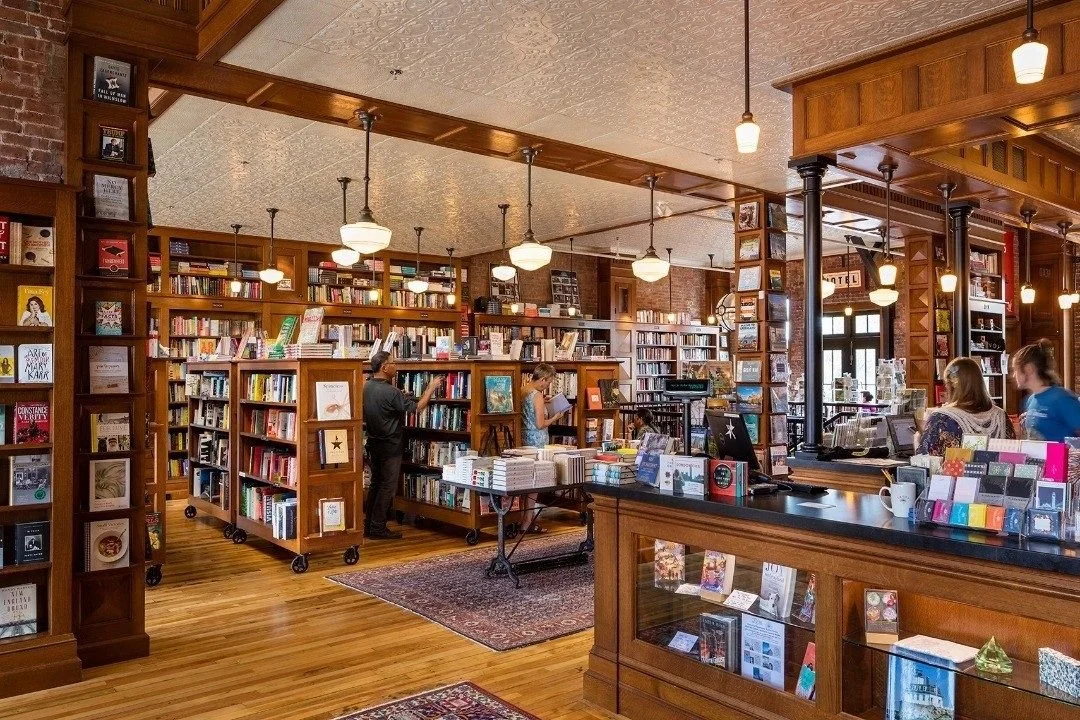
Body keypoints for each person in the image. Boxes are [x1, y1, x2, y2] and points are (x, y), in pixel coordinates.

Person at [362, 351, 443, 539]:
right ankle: (378, 528)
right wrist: (430, 388)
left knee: (376, 484)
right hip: (390, 445)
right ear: (384, 368)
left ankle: (370, 525)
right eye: (393, 362)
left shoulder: (367, 387)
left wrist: (401, 396)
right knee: (387, 487)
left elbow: (390, 406)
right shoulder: (391, 391)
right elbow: (417, 408)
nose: (395, 366)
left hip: (374, 443)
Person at [915, 357, 1014, 455]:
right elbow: (1012, 453)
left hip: (952, 471)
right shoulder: (1001, 416)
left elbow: (925, 459)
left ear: (950, 385)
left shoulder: (942, 418)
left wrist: (918, 438)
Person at [1012, 339, 1080, 442]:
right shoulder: (1029, 400)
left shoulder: (1062, 398)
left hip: (1060, 457)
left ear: (1028, 369)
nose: (1013, 375)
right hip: (1039, 457)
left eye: (1015, 370)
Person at [521, 363, 568, 447]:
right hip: (537, 441)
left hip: (524, 438)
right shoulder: (537, 395)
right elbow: (540, 425)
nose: (547, 386)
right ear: (543, 380)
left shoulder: (522, 390)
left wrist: (542, 402)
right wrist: (554, 418)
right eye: (549, 382)